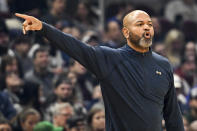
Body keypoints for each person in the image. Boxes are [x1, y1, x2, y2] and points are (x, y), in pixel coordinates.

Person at [15, 10, 184, 131]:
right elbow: (76, 47)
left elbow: (173, 116)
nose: (147, 28)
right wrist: (43, 28)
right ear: (125, 32)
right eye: (139, 24)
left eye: (149, 24)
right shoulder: (109, 58)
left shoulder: (163, 64)